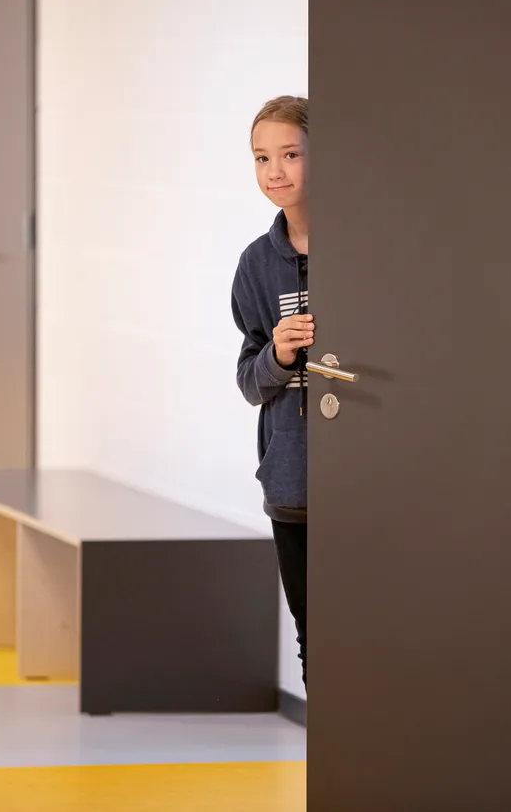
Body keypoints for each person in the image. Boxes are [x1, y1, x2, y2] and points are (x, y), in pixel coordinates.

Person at [230, 95, 310, 688]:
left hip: (374, 478)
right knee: (315, 632)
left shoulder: (376, 251)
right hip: (294, 482)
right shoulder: (257, 264)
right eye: (262, 158)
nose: (274, 172)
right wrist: (278, 357)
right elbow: (248, 380)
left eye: (290, 154)